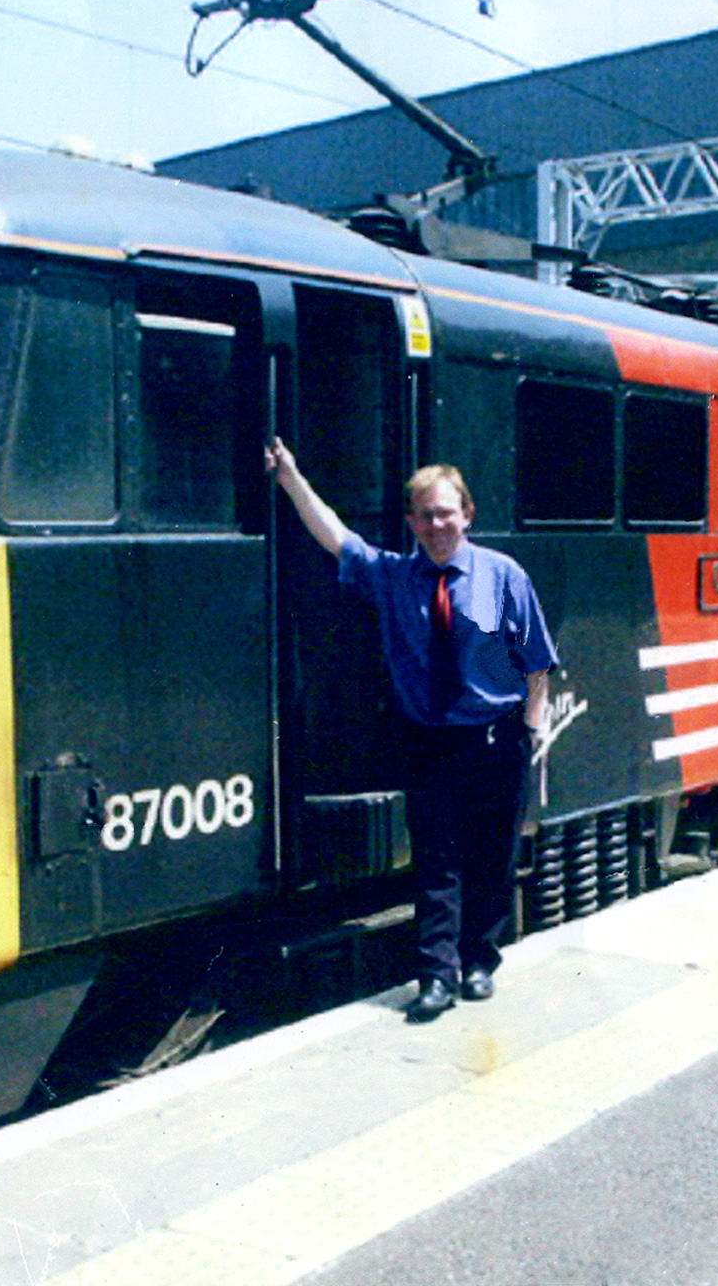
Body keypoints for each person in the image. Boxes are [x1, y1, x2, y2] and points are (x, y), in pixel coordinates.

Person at [266, 437, 557, 1021]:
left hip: (496, 738)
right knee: (436, 860)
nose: (435, 523)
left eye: (445, 511)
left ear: (467, 514)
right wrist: (291, 478)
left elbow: (537, 662)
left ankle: (479, 962)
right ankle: (435, 975)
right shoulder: (395, 578)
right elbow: (336, 538)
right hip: (429, 742)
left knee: (492, 857)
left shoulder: (504, 576)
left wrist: (527, 731)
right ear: (411, 521)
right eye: (424, 514)